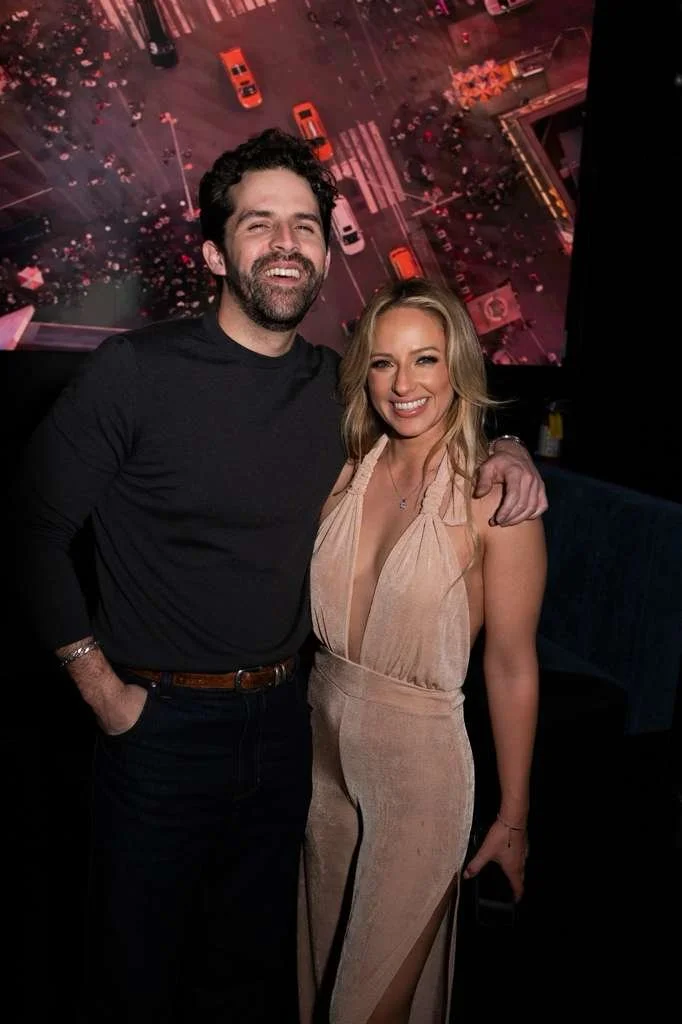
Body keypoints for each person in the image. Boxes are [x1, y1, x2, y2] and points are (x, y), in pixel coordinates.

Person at [11, 128, 547, 1023]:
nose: (287, 243)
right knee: (134, 982)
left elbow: (426, 415)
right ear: (217, 251)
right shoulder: (135, 374)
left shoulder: (337, 390)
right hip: (156, 730)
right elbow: (28, 528)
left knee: (257, 983)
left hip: (290, 732)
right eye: (260, 224)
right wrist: (103, 692)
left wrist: (509, 448)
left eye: (304, 224)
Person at [297, 279, 547, 1023]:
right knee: (316, 987)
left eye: (426, 360)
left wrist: (514, 816)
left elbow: (511, 665)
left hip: (421, 781)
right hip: (322, 766)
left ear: (458, 367)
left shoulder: (496, 499)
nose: (403, 384)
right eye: (382, 363)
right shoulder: (344, 471)